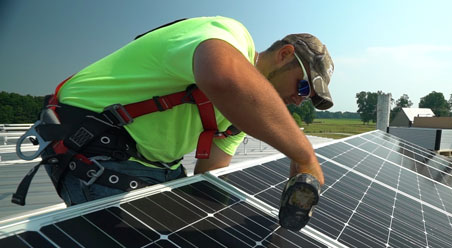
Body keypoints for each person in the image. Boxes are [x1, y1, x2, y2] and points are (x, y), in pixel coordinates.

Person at [27, 16, 332, 206]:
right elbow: (222, 76)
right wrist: (304, 154)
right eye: (303, 87)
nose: (297, 100)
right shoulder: (229, 34)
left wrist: (229, 216)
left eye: (306, 99)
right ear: (284, 54)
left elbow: (211, 172)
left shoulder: (237, 117)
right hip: (95, 148)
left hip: (152, 167)